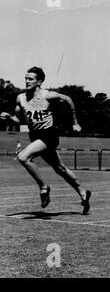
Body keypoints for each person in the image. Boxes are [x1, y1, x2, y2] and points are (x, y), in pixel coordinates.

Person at [0, 66, 91, 214]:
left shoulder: (48, 95)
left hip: (49, 135)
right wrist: (9, 117)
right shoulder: (21, 98)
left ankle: (44, 187)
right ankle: (83, 192)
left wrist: (75, 122)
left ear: (39, 81)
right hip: (35, 137)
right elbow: (19, 120)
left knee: (23, 157)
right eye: (26, 78)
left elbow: (68, 99)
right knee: (60, 168)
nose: (27, 81)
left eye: (30, 79)